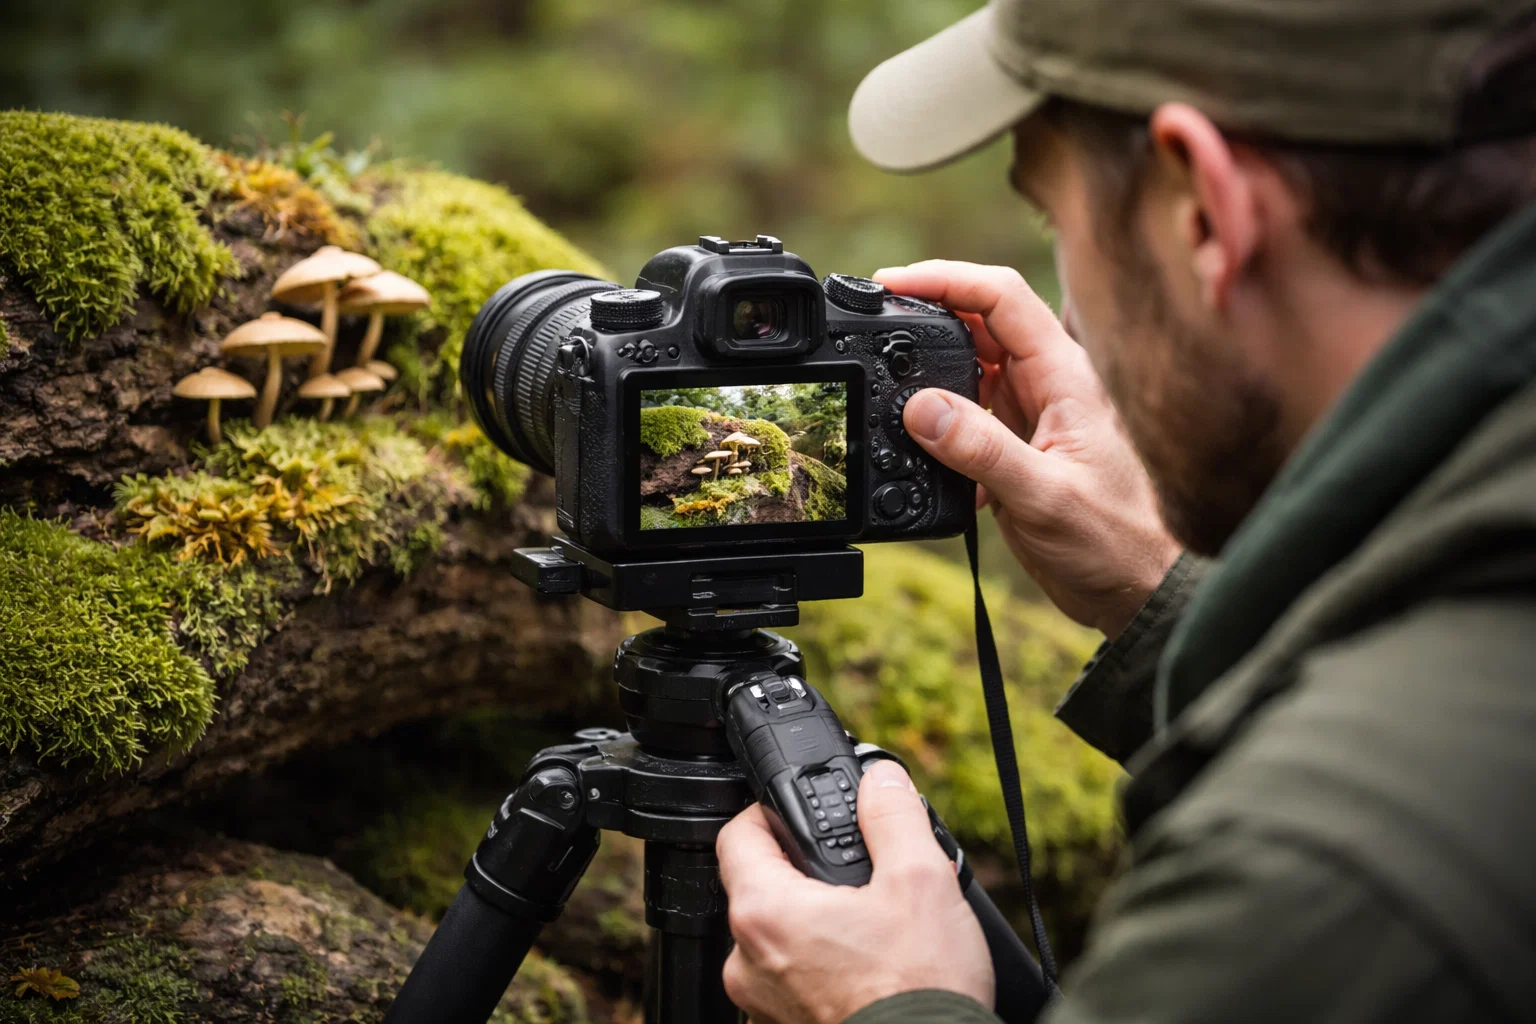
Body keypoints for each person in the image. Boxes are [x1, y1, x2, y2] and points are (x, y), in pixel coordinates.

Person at [714, 0, 1536, 1021]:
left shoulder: (1315, 880)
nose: (1066, 318)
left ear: (1206, 215)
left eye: (1060, 222)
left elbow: (1374, 835)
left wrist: (893, 1003)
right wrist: (1167, 604)